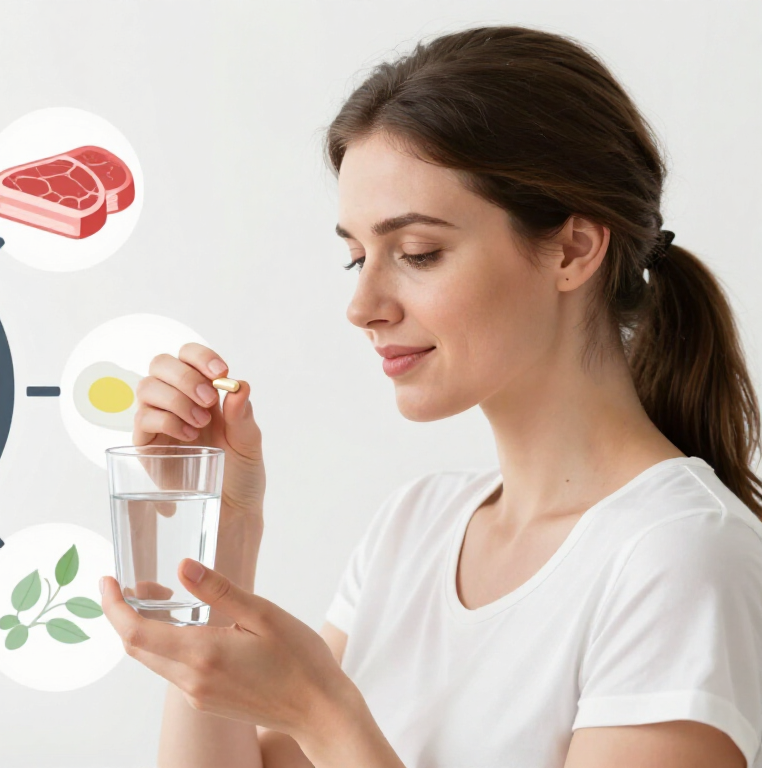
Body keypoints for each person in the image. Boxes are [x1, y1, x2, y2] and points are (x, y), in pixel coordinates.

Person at [99, 24, 762, 768]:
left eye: (418, 253)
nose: (363, 307)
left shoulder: (681, 558)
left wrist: (323, 714)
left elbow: (328, 731)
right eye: (356, 258)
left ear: (574, 249)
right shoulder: (415, 528)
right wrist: (219, 540)